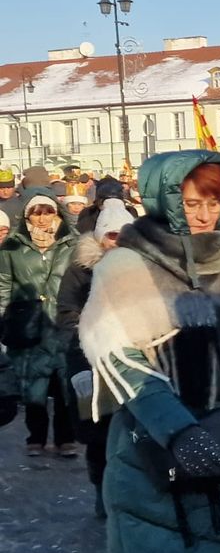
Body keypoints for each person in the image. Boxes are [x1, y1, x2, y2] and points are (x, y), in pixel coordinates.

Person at [78, 151, 220, 553]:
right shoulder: (126, 264)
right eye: (191, 203)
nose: (205, 214)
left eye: (214, 202)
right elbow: (122, 358)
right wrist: (180, 430)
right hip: (155, 443)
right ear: (164, 199)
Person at [56, 198, 134, 517]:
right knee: (98, 435)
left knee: (133, 434)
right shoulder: (80, 270)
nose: (118, 241)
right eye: (112, 235)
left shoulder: (143, 266)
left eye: (125, 234)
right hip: (93, 362)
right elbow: (66, 315)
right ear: (101, 237)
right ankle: (102, 492)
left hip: (132, 362)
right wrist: (80, 365)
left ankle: (131, 495)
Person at [0, 188, 78, 457]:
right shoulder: (13, 246)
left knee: (65, 385)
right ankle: (36, 437)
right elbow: (4, 285)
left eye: (47, 212)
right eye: (36, 212)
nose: (42, 218)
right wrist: (3, 318)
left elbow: (82, 284)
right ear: (27, 216)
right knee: (34, 386)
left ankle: (66, 438)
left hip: (63, 323)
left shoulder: (72, 244)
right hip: (28, 325)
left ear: (56, 213)